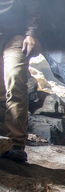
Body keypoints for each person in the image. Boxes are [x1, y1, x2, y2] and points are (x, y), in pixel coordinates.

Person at [0, 0, 42, 162]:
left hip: (16, 36)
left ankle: (16, 144)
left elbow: (34, 5)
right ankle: (3, 141)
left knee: (15, 79)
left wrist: (32, 33)